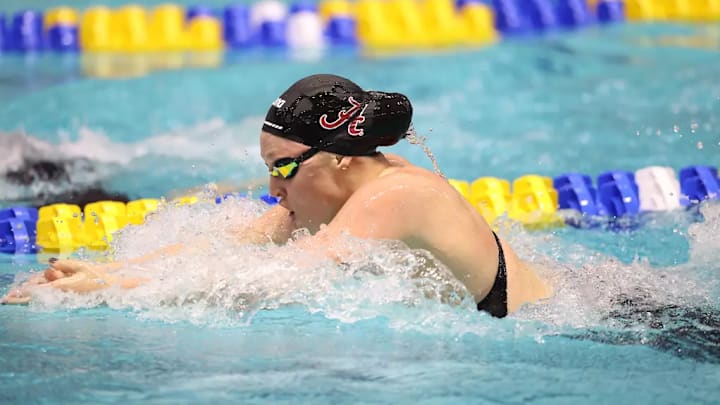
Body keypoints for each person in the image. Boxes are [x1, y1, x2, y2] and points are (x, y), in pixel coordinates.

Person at [1, 74, 551, 317]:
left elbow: (278, 278)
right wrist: (98, 275)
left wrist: (116, 289)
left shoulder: (396, 194)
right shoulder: (339, 196)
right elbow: (231, 246)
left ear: (337, 155)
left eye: (284, 166)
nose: (273, 188)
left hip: (593, 324)